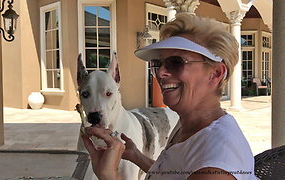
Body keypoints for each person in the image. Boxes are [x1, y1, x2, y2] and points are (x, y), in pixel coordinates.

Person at [82, 12, 257, 180]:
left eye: (176, 62)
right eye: (158, 64)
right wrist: (136, 156)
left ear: (215, 74)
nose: (161, 73)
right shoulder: (190, 124)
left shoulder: (216, 159)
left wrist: (109, 175)